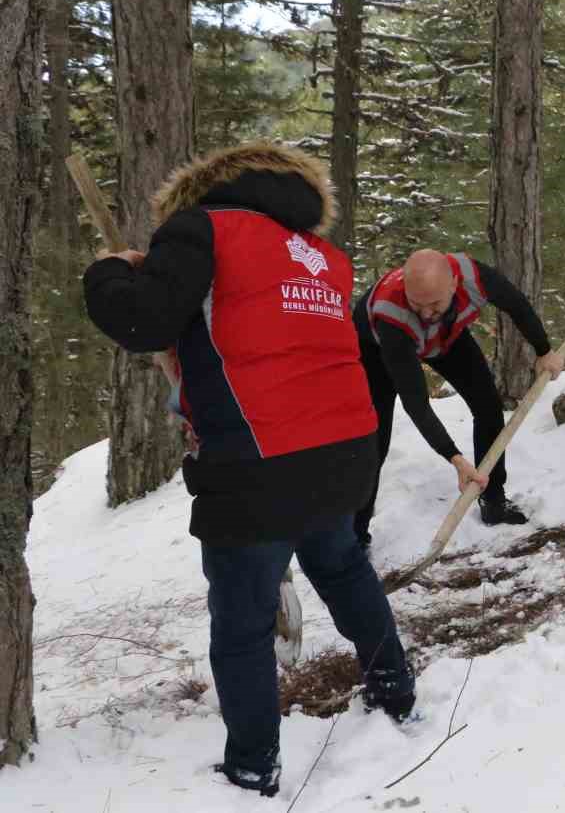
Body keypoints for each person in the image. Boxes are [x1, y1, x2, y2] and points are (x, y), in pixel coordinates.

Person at [82, 143, 414, 797]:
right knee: (345, 570)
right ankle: (396, 694)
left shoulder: (199, 228)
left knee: (244, 622)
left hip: (258, 463)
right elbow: (252, 322)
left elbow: (143, 321)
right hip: (344, 450)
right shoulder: (323, 255)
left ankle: (253, 766)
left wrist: (108, 272)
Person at [353, 248, 564, 543]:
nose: (426, 313)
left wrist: (544, 350)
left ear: (454, 283)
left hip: (446, 336)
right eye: (418, 304)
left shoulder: (475, 277)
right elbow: (417, 405)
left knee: (488, 405)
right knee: (376, 441)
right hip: (378, 350)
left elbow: (516, 305)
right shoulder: (393, 316)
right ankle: (355, 537)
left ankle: (493, 501)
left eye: (434, 303)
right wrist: (454, 457)